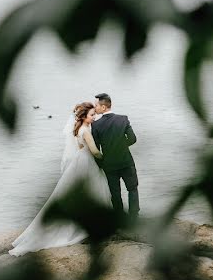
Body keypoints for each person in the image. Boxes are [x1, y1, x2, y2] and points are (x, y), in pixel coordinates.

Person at [9, 102, 109, 256]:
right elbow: (95, 151)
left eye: (94, 114)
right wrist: (106, 158)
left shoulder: (77, 129)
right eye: (91, 115)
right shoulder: (86, 131)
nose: (94, 117)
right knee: (94, 189)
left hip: (79, 161)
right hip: (86, 163)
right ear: (83, 117)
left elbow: (81, 148)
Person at [91, 93, 139, 220]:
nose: (95, 108)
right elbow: (133, 139)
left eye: (96, 105)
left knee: (115, 192)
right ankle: (134, 216)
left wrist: (100, 164)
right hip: (126, 161)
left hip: (109, 164)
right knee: (132, 188)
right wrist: (121, 145)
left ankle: (119, 217)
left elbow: (95, 149)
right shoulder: (123, 119)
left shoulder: (96, 125)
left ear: (103, 107)